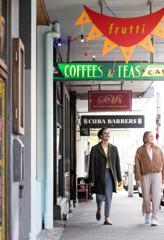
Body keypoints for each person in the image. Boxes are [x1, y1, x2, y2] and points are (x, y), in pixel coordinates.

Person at [88, 128, 122, 225]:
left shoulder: (114, 148)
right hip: (99, 175)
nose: (107, 135)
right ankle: (99, 208)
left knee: (108, 196)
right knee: (99, 196)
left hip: (110, 174)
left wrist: (119, 178)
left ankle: (107, 217)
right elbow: (92, 165)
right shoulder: (95, 149)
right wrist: (92, 178)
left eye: (108, 133)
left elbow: (117, 164)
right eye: (105, 133)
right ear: (101, 136)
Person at [135, 131, 164, 226]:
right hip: (145, 175)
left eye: (152, 136)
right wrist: (138, 179)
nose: (152, 137)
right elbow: (137, 165)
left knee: (156, 197)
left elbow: (163, 164)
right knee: (146, 197)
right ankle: (147, 212)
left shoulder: (158, 149)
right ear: (145, 138)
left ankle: (154, 218)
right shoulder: (140, 150)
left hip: (157, 174)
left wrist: (163, 176)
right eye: (150, 136)